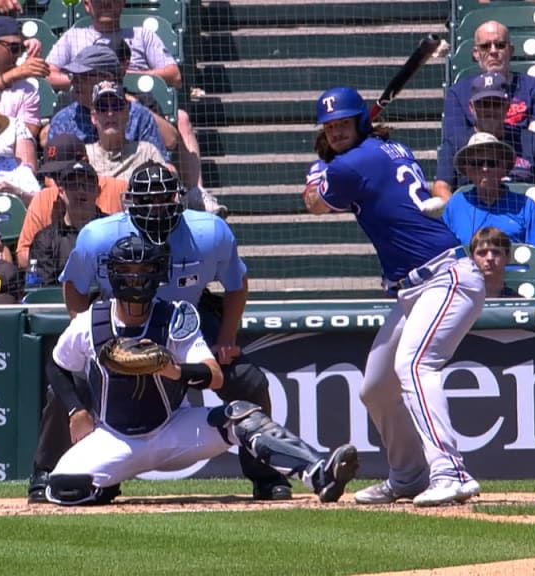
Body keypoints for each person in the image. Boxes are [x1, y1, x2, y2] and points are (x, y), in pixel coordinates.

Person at [28, 162, 293, 504]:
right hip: (122, 330)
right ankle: (45, 470)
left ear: (178, 200)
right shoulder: (98, 236)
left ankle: (265, 474)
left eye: (164, 199)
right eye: (147, 201)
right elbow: (74, 285)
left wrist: (226, 338)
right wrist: (86, 328)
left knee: (249, 380)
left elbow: (236, 284)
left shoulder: (210, 232)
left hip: (186, 327)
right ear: (129, 202)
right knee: (70, 383)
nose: (156, 208)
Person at [44, 233, 359, 506]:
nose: (135, 279)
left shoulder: (176, 316)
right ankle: (107, 484)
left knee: (242, 414)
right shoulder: (91, 321)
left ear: (157, 275)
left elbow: (215, 375)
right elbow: (57, 364)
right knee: (61, 488)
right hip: (115, 439)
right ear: (113, 275)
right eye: (127, 271)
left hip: (174, 430)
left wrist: (173, 369)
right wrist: (76, 410)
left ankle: (319, 472)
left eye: (143, 271)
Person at [303, 86, 485, 507]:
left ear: (361, 123)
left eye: (344, 123)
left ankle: (450, 471)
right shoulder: (388, 147)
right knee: (377, 386)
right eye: (329, 127)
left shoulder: (353, 162)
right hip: (413, 287)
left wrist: (319, 169)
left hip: (445, 275)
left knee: (415, 365)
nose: (335, 132)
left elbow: (314, 203)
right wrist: (334, 159)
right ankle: (408, 476)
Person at [46, 0, 206, 192]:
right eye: (75, 77)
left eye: (83, 77)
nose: (75, 83)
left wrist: (125, 95)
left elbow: (165, 157)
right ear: (87, 5)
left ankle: (198, 193)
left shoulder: (139, 113)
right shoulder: (65, 118)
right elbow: (51, 178)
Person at [434, 20, 535, 203]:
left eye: (500, 45)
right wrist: (460, 212)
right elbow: (457, 149)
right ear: (476, 53)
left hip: (520, 172)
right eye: (485, 46)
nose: (493, 51)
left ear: (510, 50)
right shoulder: (458, 92)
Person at [436, 72, 535, 202]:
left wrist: (530, 211)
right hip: (473, 217)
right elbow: (440, 187)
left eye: (496, 104)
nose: (490, 110)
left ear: (507, 106)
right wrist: (460, 209)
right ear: (471, 107)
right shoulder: (455, 144)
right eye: (483, 104)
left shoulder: (531, 141)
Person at [16, 134, 124, 265]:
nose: (59, 180)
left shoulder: (119, 190)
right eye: (53, 175)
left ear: (84, 162)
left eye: (63, 173)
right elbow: (23, 255)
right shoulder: (42, 199)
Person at [443, 132, 535, 260]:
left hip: (516, 277)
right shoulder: (456, 204)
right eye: (477, 163)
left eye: (492, 163)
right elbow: (444, 253)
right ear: (467, 170)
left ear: (504, 168)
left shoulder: (525, 205)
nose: (485, 169)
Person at [27, 151, 104, 286]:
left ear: (98, 191)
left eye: (87, 184)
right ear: (61, 192)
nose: (81, 190)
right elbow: (43, 290)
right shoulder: (45, 239)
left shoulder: (112, 232)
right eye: (73, 185)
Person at [0, 16, 46, 139]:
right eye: (14, 48)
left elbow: (26, 136)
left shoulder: (27, 90)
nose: (18, 54)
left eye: (21, 49)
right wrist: (14, 74)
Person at [86, 80, 166, 180]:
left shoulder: (147, 152)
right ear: (93, 117)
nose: (110, 113)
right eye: (103, 108)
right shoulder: (85, 155)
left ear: (127, 114)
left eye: (116, 106)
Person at [468, 227, 515, 298]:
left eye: (496, 252)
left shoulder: (520, 303)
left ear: (508, 257)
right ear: (471, 258)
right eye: (482, 252)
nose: (490, 258)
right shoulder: (461, 301)